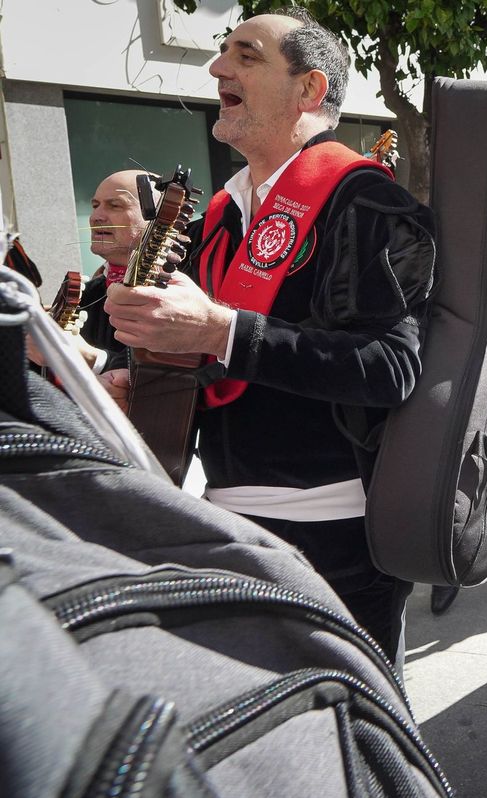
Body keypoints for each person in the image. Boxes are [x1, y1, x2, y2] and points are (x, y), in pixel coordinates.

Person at [103, 7, 433, 663]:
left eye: (245, 55)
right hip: (226, 517)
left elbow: (390, 369)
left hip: (336, 535)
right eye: (223, 53)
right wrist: (135, 376)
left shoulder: (366, 200)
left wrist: (223, 330)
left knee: (360, 746)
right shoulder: (222, 214)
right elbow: (211, 360)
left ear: (309, 90)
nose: (217, 67)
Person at [26, 170, 153, 373]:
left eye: (115, 205)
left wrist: (92, 359)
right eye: (95, 206)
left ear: (156, 217)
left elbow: (170, 381)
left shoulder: (181, 288)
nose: (96, 217)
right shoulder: (88, 292)